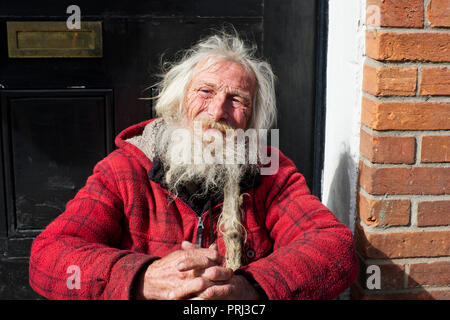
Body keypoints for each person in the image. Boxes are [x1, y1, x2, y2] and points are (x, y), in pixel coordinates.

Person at [28, 32, 359, 300]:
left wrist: (247, 288)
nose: (217, 112)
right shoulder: (124, 169)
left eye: (237, 99)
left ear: (251, 120)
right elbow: (49, 257)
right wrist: (143, 278)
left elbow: (335, 249)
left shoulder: (269, 172)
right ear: (178, 101)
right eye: (206, 91)